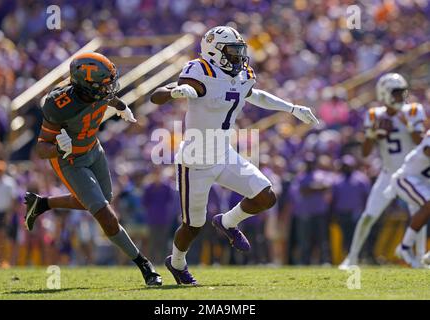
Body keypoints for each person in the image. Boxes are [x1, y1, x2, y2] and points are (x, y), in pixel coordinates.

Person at [150, 26, 318, 284]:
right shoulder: (200, 70)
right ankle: (177, 262)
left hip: (223, 152)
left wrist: (291, 108)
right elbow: (157, 96)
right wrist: (175, 92)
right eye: (232, 50)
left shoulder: (242, 74)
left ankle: (227, 222)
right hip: (195, 159)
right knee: (193, 225)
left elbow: (254, 95)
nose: (239, 56)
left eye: (240, 50)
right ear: (214, 51)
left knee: (266, 196)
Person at [23, 52, 161, 285]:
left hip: (94, 150)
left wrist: (120, 105)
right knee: (106, 216)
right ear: (86, 86)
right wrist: (57, 147)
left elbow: (108, 96)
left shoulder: (96, 89)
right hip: (70, 160)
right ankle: (145, 266)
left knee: (100, 200)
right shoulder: (60, 104)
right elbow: (41, 149)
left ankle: (44, 203)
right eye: (105, 84)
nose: (110, 88)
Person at [339, 73, 427, 269]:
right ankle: (351, 258)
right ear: (385, 93)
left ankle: (419, 257)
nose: (401, 97)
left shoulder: (413, 110)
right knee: (368, 216)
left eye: (402, 92)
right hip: (388, 174)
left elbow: (421, 144)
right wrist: (372, 133)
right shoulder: (374, 115)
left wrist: (409, 124)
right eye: (396, 92)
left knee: (419, 213)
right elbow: (365, 151)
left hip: (411, 174)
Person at [384, 130, 430, 267]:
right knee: (429, 205)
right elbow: (428, 151)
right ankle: (405, 248)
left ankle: (408, 249)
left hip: (421, 182)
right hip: (405, 178)